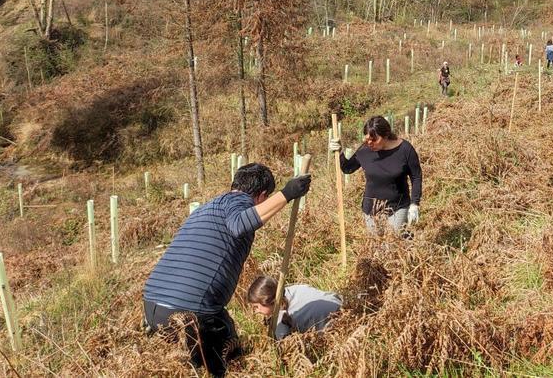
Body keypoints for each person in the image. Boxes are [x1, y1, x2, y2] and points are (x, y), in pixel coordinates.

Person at [142, 163, 312, 377]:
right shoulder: (238, 202)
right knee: (229, 361)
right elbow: (239, 224)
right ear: (261, 196)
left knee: (210, 346)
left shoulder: (207, 208)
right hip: (188, 312)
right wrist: (288, 194)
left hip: (152, 306)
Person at [338, 116, 422, 236]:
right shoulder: (364, 150)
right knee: (376, 247)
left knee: (392, 244)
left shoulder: (405, 150)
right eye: (367, 140)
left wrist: (415, 203)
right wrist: (339, 152)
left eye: (374, 139)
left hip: (397, 206)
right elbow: (348, 168)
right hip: (371, 209)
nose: (369, 143)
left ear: (386, 135)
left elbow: (416, 177)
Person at [246, 275, 342, 339]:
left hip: (337, 328)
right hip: (342, 304)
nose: (256, 311)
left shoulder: (282, 323)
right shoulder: (293, 289)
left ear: (269, 301)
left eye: (256, 307)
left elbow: (286, 349)